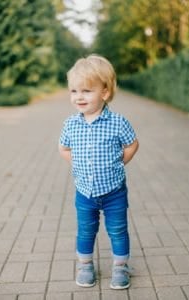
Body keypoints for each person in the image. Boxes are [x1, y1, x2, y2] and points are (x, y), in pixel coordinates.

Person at [58, 54, 139, 289]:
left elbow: (132, 144)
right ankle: (85, 266)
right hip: (84, 192)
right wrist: (79, 164)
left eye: (86, 90)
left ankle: (120, 268)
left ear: (104, 92)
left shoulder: (118, 122)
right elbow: (63, 148)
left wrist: (119, 163)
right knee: (86, 230)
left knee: (118, 230)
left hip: (114, 191)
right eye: (74, 91)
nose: (79, 96)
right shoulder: (70, 124)